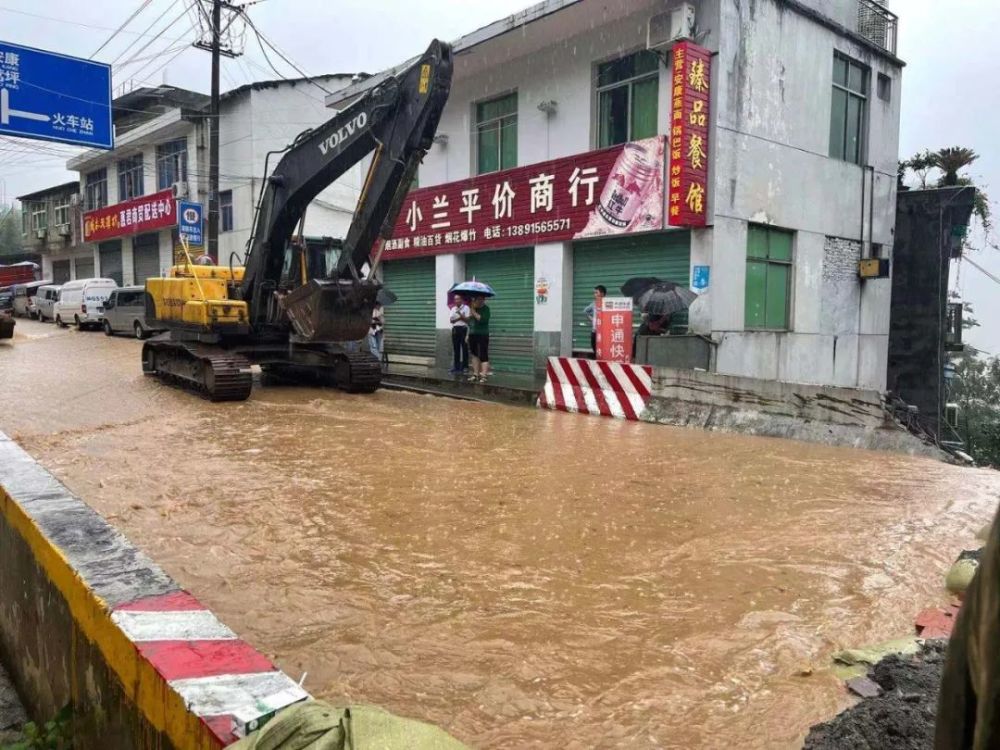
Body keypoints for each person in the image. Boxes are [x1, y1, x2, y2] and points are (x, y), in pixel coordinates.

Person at [468, 295, 491, 383]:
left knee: (483, 354)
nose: (479, 301)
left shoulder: (486, 309)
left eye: (481, 299)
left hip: (483, 334)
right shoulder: (473, 308)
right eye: (478, 299)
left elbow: (482, 320)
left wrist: (473, 311)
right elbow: (469, 322)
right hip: (472, 334)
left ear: (483, 300)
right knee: (474, 354)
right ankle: (475, 374)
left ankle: (484, 375)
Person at [448, 293, 470, 374]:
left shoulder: (466, 308)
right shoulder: (453, 309)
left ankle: (465, 367)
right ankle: (456, 366)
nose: (456, 300)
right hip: (455, 329)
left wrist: (461, 315)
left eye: (458, 299)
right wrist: (460, 317)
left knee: (464, 348)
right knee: (456, 348)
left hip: (463, 329)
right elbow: (451, 320)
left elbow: (467, 320)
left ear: (461, 299)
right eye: (455, 299)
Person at [583, 285, 607, 357]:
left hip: (605, 332)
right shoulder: (594, 304)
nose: (595, 295)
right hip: (595, 331)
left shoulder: (608, 303)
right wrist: (592, 319)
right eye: (594, 293)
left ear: (602, 294)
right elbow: (585, 311)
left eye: (596, 293)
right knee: (595, 349)